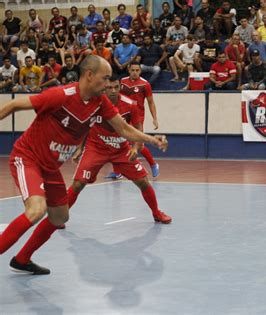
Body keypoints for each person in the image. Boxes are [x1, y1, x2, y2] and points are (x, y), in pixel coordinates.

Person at [0, 55, 168, 275]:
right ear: (89, 75)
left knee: (60, 216)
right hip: (28, 158)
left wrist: (151, 139)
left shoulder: (100, 102)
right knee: (37, 210)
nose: (109, 84)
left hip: (50, 167)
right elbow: (14, 104)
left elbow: (123, 129)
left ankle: (22, 259)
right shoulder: (60, 95)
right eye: (105, 78)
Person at [66, 74, 171, 227]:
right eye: (109, 88)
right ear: (104, 88)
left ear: (120, 87)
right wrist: (79, 148)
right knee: (78, 184)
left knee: (143, 181)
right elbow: (84, 126)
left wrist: (135, 147)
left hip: (121, 151)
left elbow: (138, 129)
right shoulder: (94, 103)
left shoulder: (130, 105)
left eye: (116, 87)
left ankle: (156, 212)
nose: (113, 91)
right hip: (96, 148)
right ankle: (60, 216)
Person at [115, 61, 160, 178]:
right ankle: (118, 171)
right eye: (132, 70)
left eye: (137, 70)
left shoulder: (145, 84)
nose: (134, 73)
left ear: (140, 71)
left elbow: (151, 102)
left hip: (138, 117)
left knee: (139, 144)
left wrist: (155, 118)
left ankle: (153, 164)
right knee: (119, 142)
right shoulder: (122, 82)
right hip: (123, 116)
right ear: (129, 70)